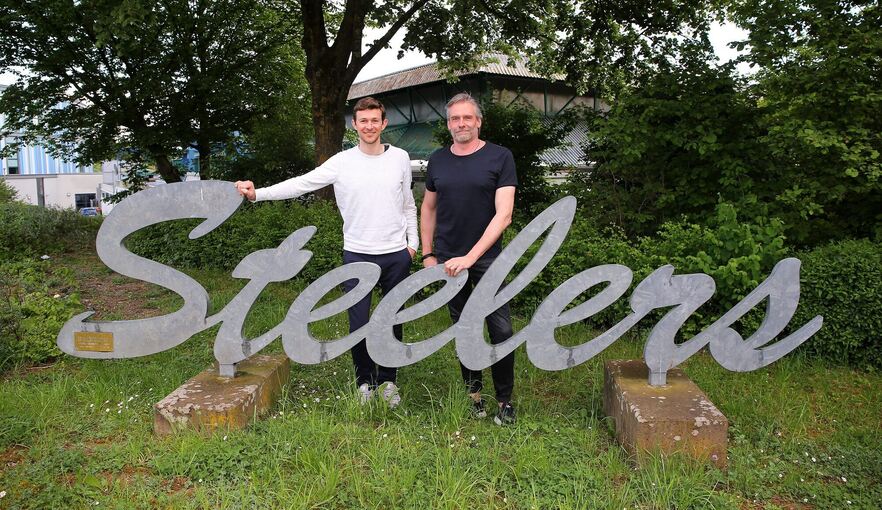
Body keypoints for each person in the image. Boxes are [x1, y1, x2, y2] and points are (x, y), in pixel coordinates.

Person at [235, 97, 417, 408]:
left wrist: (412, 245)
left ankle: (388, 381)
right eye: (364, 121)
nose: (370, 126)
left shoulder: (400, 158)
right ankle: (365, 382)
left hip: (396, 254)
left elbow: (408, 204)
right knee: (358, 323)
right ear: (355, 125)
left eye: (375, 120)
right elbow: (301, 184)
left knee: (392, 318)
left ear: (384, 123)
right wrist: (257, 194)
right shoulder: (341, 162)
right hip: (357, 255)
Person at [420, 92, 518, 425]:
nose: (461, 124)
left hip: (488, 258)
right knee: (465, 330)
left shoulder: (500, 157)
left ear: (478, 121)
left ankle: (504, 401)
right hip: (447, 259)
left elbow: (504, 215)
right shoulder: (437, 160)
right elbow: (428, 208)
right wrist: (428, 253)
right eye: (454, 119)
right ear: (448, 125)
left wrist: (470, 257)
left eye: (467, 118)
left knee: (501, 330)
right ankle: (474, 397)